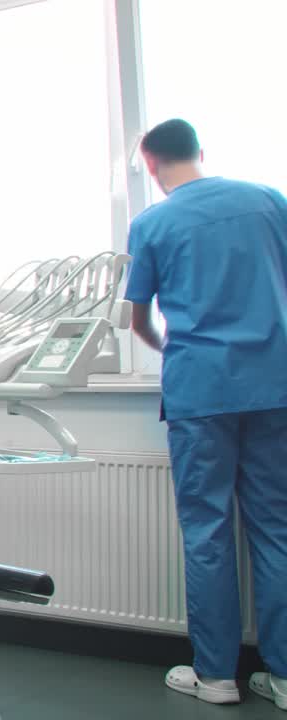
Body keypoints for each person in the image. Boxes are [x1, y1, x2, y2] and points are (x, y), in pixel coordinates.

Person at [126, 118, 287, 710]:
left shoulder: (152, 223)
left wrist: (178, 349)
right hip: (276, 385)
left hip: (201, 392)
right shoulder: (269, 200)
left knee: (208, 534)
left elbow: (138, 320)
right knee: (277, 531)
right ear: (200, 152)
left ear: (150, 164)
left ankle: (216, 676)